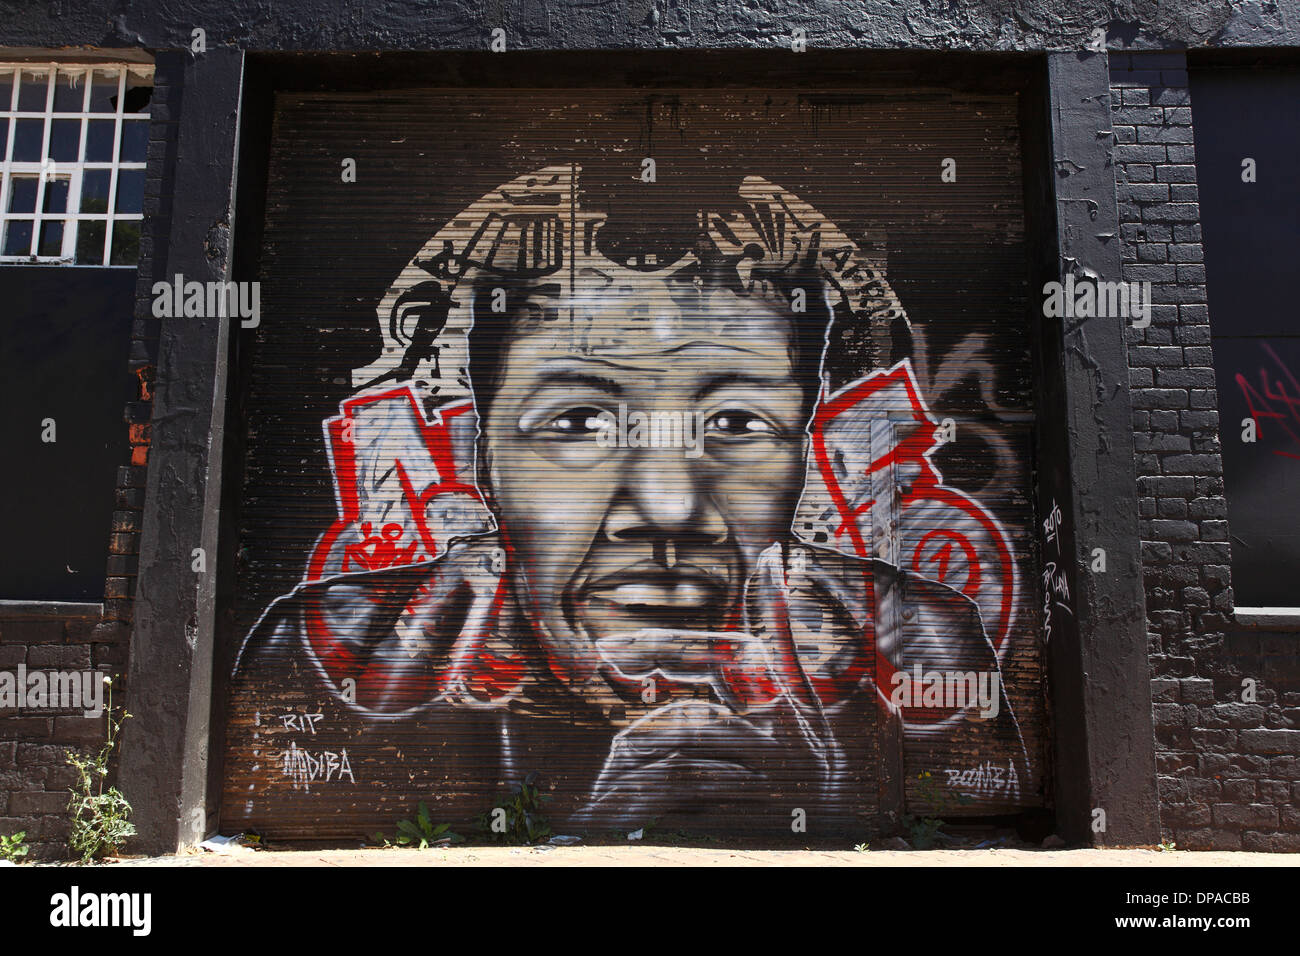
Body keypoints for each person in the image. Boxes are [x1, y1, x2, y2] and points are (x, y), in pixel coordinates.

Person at [227, 180, 1028, 838]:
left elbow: (985, 827)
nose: (670, 506)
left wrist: (829, 807)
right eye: (578, 423)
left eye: (737, 423)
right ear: (487, 458)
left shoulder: (917, 643)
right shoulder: (334, 659)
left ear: (800, 451)